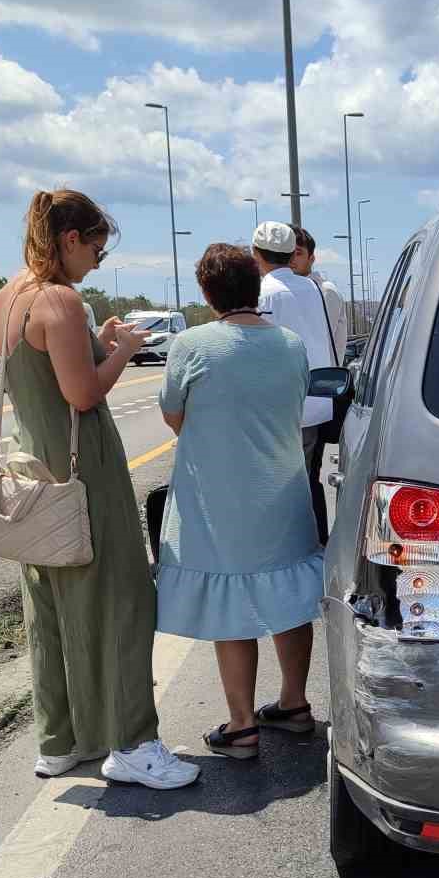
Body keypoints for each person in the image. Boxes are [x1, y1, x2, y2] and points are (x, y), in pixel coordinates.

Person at [0, 190, 199, 790]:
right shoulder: (60, 299)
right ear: (70, 239)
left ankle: (60, 740)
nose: (99, 261)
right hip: (84, 478)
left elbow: (48, 378)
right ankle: (131, 742)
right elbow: (82, 394)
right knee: (123, 602)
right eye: (97, 249)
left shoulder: (7, 298)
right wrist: (126, 351)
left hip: (33, 476)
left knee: (48, 608)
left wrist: (98, 338)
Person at [155, 244, 324, 757]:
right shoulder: (292, 344)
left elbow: (174, 415)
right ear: (255, 287)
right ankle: (294, 704)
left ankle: (241, 725)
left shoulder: (193, 345)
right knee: (290, 592)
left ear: (208, 293)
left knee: (232, 600)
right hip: (283, 487)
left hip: (219, 496)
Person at [253, 221, 338, 545]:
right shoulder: (313, 287)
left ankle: (295, 550)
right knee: (308, 480)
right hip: (316, 403)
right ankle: (317, 543)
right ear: (291, 254)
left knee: (283, 487)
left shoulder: (263, 292)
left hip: (282, 408)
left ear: (256, 254)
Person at [290, 226, 347, 362]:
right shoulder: (289, 293)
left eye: (298, 253)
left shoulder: (325, 291)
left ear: (311, 258)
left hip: (320, 379)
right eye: (288, 254)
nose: (292, 259)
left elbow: (318, 343)